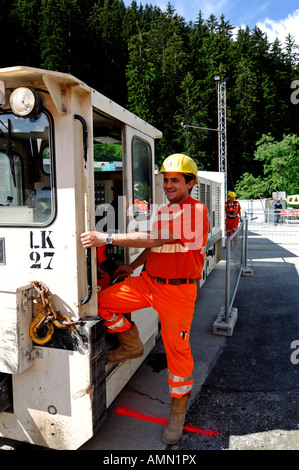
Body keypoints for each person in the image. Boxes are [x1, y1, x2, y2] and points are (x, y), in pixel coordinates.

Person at [81, 153, 209, 445]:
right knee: (100, 303)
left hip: (178, 291)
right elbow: (156, 246)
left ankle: (177, 412)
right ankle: (131, 345)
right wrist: (133, 265)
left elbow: (154, 238)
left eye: (175, 180)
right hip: (149, 282)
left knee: (177, 351)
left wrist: (107, 239)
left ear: (190, 183)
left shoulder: (196, 211)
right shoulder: (166, 210)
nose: (168, 185)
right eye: (166, 180)